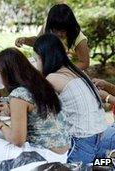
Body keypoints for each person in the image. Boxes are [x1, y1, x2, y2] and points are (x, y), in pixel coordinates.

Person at [0, 48, 70, 167]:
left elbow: (18, 141)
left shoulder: (18, 95)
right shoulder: (41, 84)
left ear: (6, 73)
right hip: (61, 155)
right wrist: (10, 112)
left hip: (42, 159)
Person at [33, 33, 115, 164]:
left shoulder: (52, 78)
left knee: (73, 165)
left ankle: (103, 161)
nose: (36, 64)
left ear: (44, 58)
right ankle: (106, 161)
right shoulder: (77, 71)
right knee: (92, 163)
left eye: (36, 59)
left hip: (82, 140)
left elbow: (39, 108)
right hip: (98, 135)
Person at [15, 4, 90, 70]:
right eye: (56, 30)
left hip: (71, 73)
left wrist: (64, 71)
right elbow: (39, 41)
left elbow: (84, 63)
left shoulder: (78, 39)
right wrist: (25, 40)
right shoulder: (49, 27)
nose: (59, 34)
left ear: (69, 27)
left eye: (63, 31)